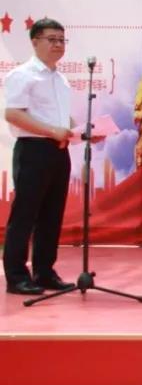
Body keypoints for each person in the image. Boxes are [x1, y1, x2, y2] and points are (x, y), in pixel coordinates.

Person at [2, 18, 82, 295]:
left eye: (62, 40)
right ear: (35, 41)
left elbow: (59, 118)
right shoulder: (23, 74)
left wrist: (82, 132)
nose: (58, 45)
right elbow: (13, 113)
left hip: (58, 152)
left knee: (51, 214)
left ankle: (44, 271)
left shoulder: (60, 78)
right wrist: (51, 130)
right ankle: (16, 276)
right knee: (25, 214)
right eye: (52, 39)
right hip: (33, 150)